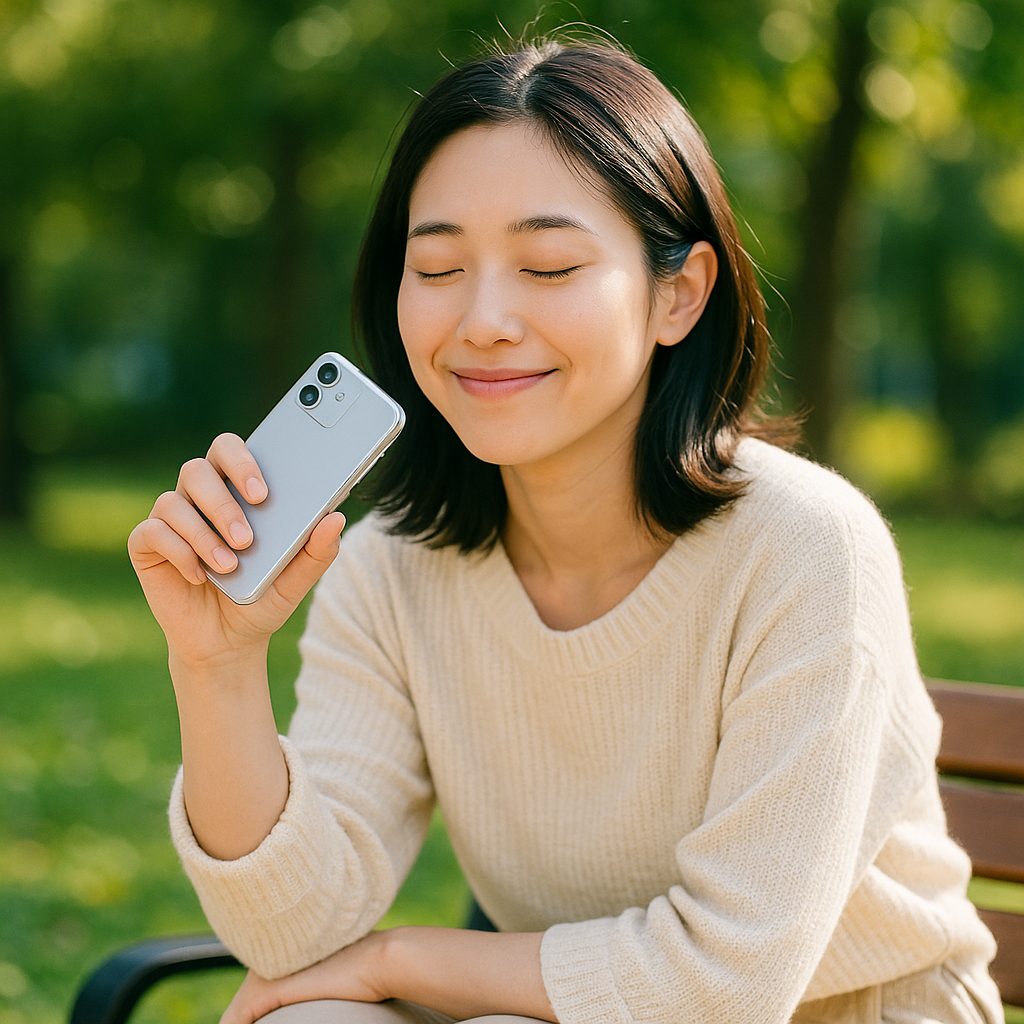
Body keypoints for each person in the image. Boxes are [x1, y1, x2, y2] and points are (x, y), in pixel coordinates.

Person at [127, 34, 1004, 1024]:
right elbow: (290, 938)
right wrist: (216, 664)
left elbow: (724, 980)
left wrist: (398, 958)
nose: (485, 318)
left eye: (547, 265)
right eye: (439, 265)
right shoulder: (390, 567)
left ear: (678, 293)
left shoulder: (805, 547)